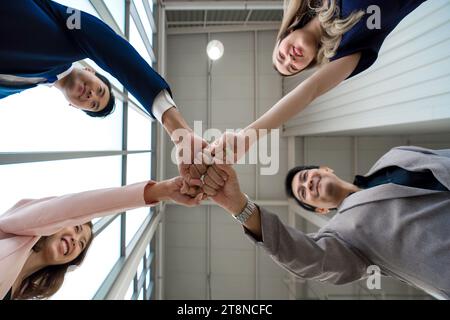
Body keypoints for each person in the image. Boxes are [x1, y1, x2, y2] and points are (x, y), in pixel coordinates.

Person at [0, 0, 208, 191]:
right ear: (91, 72)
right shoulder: (69, 38)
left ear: (76, 107)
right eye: (99, 90)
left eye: (92, 104)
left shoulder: (20, 86)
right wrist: (177, 129)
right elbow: (107, 45)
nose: (91, 95)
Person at [206, 146, 450, 299]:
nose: (306, 184)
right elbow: (308, 257)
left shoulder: (395, 155)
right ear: (320, 208)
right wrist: (239, 205)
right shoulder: (342, 235)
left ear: (325, 169)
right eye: (303, 193)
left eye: (305, 177)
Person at [209, 0, 429, 161]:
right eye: (292, 67)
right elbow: (309, 92)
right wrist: (248, 137)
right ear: (309, 64)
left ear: (286, 34)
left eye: (281, 55)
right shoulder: (345, 52)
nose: (290, 59)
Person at [0, 177, 203, 300]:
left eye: (81, 244)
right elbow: (72, 207)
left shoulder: (20, 291)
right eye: (77, 228)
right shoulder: (18, 229)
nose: (75, 240)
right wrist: (159, 191)